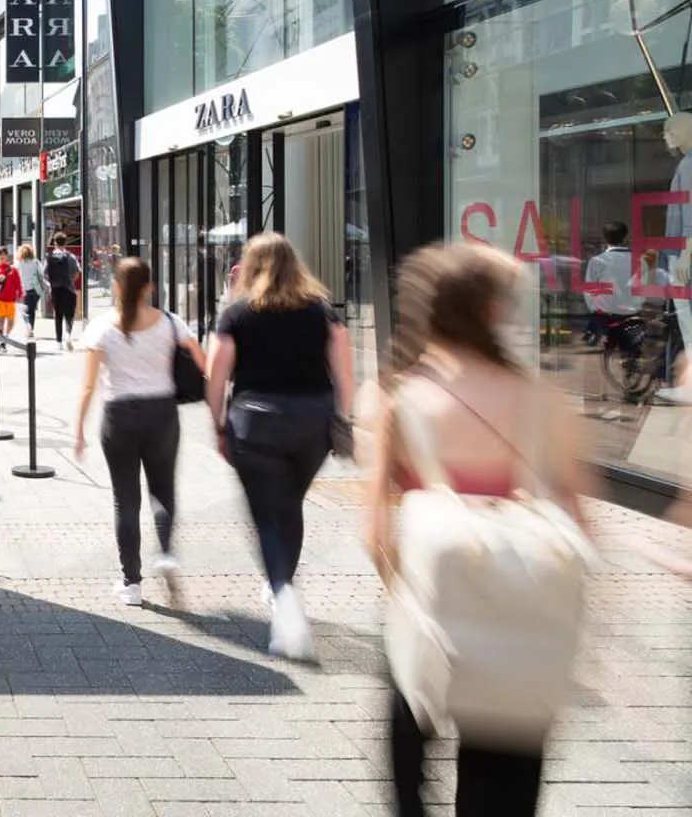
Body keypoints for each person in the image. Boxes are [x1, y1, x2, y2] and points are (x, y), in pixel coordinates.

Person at [363, 242, 591, 817]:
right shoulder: (545, 402)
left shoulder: (405, 400)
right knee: (505, 785)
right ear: (495, 312)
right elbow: (580, 525)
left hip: (432, 615)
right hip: (521, 623)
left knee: (406, 764)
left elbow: (375, 534)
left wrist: (410, 588)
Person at [204, 232, 354, 659]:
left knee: (267, 516)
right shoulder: (322, 312)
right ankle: (280, 585)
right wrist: (341, 419)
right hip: (313, 423)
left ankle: (284, 602)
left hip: (256, 423)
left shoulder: (237, 314)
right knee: (289, 506)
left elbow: (216, 377)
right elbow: (344, 372)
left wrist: (217, 425)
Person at [74, 258, 205, 605]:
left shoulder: (102, 327)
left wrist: (79, 431)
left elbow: (88, 387)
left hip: (119, 417)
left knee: (125, 500)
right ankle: (165, 552)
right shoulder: (171, 323)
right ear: (149, 287)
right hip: (162, 413)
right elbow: (202, 363)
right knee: (163, 491)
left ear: (116, 287)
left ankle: (131, 583)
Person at [45, 234, 82, 348]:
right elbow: (77, 273)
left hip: (56, 289)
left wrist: (50, 284)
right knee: (69, 314)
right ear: (66, 243)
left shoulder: (50, 257)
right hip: (69, 289)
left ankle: (59, 342)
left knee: (58, 315)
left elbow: (44, 273)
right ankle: (68, 335)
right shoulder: (71, 256)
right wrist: (70, 280)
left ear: (55, 243)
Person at [15, 243, 45, 339]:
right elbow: (42, 273)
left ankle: (29, 328)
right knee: (32, 310)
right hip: (36, 290)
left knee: (24, 311)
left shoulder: (18, 263)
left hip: (24, 291)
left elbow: (13, 273)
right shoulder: (36, 262)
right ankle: (31, 328)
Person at [0, 248, 22, 336]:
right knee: (0, 322)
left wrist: (20, 294)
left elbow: (18, 283)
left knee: (11, 322)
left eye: (3, 254)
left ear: (7, 256)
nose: (1, 256)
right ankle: (2, 342)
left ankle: (6, 335)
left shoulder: (13, 269)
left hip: (11, 300)